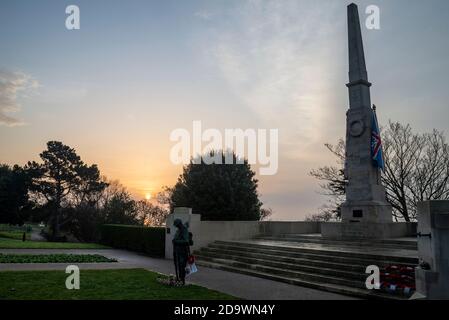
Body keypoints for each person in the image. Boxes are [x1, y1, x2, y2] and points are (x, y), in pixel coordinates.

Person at [172, 219, 190, 285]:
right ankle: (179, 278)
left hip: (183, 251)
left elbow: (186, 241)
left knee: (182, 266)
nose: (176, 226)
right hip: (177, 250)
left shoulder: (184, 230)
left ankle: (182, 279)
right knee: (178, 265)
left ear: (179, 224)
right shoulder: (178, 230)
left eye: (177, 225)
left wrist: (177, 241)